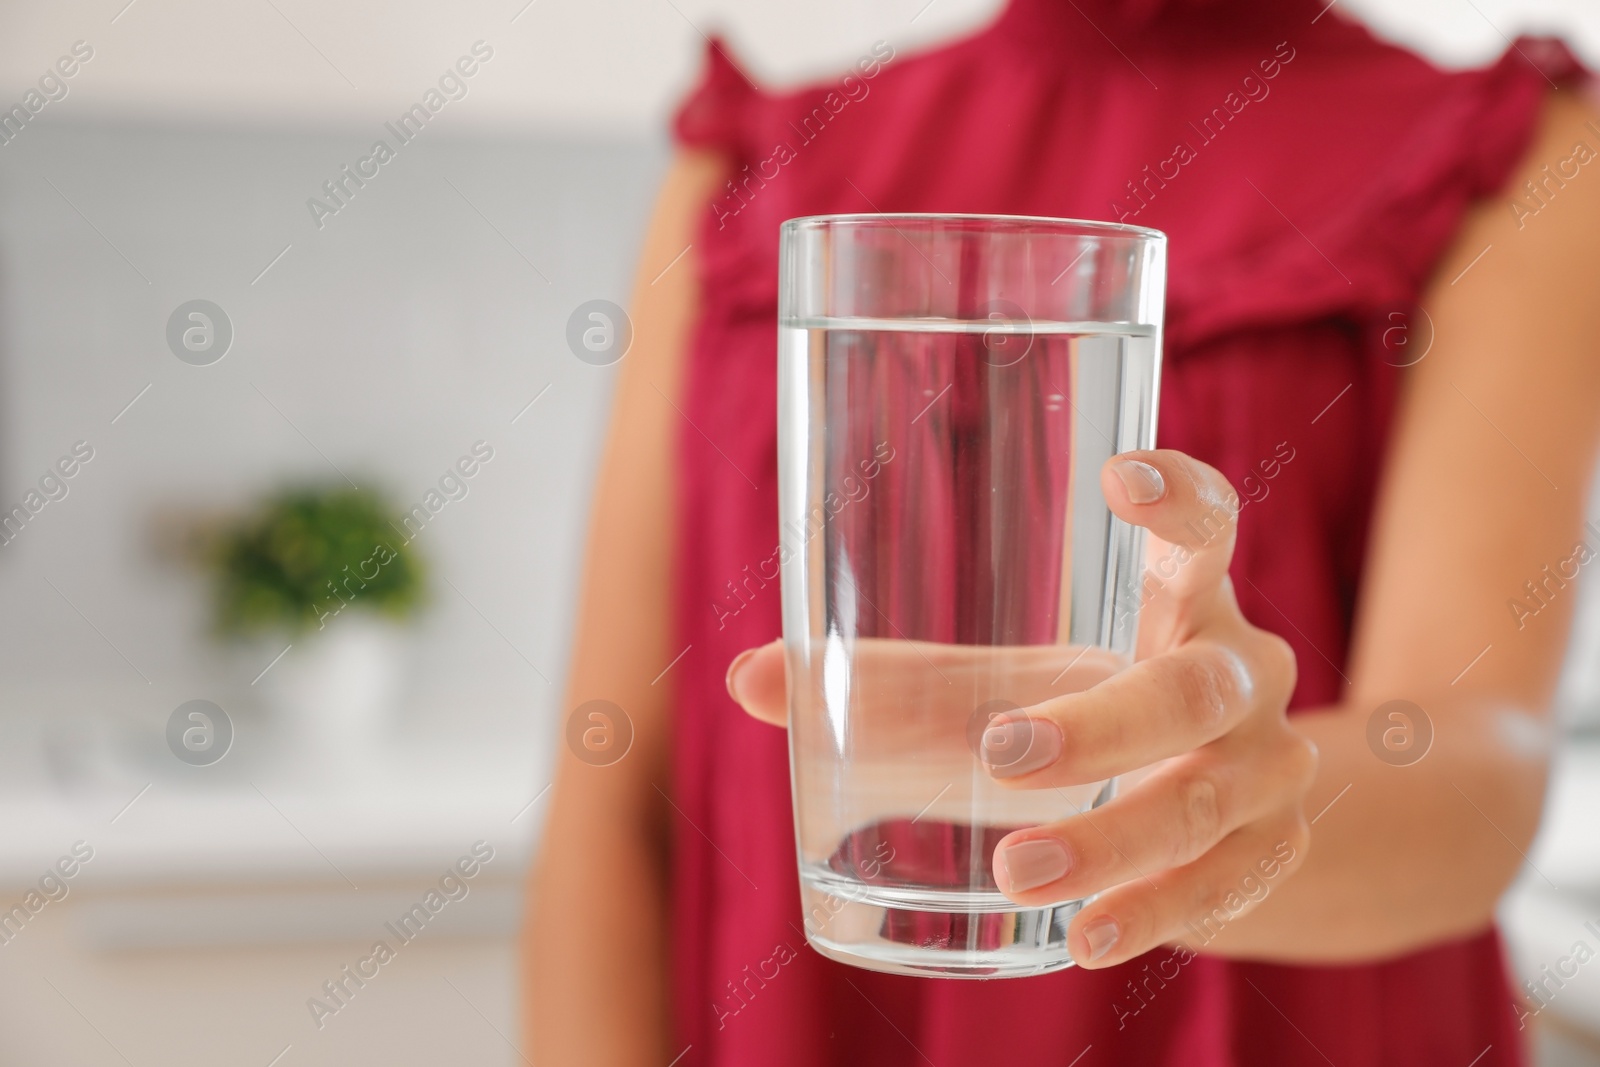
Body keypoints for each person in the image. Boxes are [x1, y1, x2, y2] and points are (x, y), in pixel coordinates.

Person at [526, 0, 1600, 1062]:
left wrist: (1232, 803)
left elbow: (1475, 761)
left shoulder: (1519, 157)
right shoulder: (748, 172)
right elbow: (610, 806)